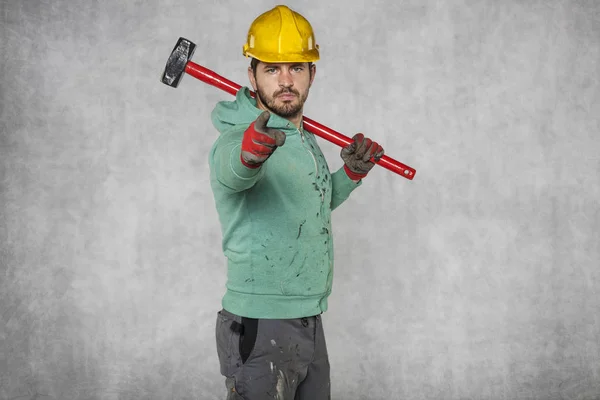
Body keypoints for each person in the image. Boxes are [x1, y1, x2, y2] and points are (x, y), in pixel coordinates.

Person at [209, 5, 384, 399]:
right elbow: (232, 170)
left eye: (297, 68)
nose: (286, 80)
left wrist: (350, 176)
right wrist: (250, 154)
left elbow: (308, 207)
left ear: (312, 74)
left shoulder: (304, 139)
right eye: (272, 68)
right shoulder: (234, 137)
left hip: (308, 318)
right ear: (251, 75)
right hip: (261, 323)